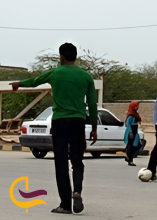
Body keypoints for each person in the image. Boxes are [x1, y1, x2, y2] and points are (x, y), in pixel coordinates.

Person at [11, 43, 98, 215]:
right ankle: (77, 192)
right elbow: (93, 104)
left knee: (61, 163)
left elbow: (35, 82)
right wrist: (94, 128)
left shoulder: (55, 73)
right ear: (75, 56)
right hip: (78, 122)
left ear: (61, 57)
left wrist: (18, 83)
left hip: (60, 122)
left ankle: (65, 204)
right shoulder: (86, 76)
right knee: (77, 160)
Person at [124, 100, 144, 166]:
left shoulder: (135, 114)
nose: (137, 107)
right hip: (131, 132)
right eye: (136, 105)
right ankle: (130, 160)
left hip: (135, 131)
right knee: (131, 146)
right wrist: (130, 132)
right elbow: (128, 124)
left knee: (138, 144)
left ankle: (128, 157)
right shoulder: (131, 115)